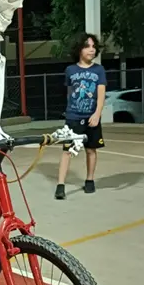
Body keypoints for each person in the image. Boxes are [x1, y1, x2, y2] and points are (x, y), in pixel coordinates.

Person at [55, 33, 107, 200]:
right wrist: (69, 111)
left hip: (91, 117)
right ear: (79, 49)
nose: (92, 50)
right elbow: (69, 93)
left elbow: (101, 94)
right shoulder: (70, 70)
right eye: (87, 46)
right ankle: (60, 185)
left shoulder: (98, 70)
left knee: (91, 150)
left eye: (93, 46)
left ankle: (89, 180)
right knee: (67, 150)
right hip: (73, 117)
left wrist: (97, 114)